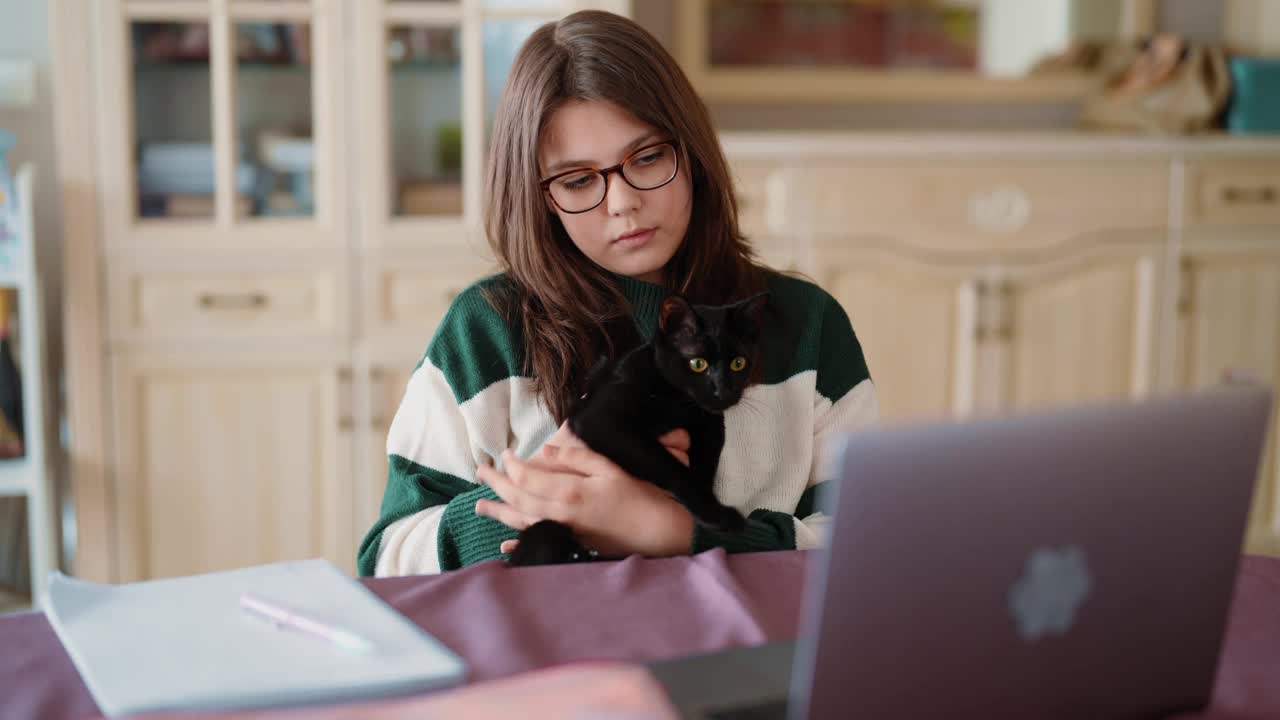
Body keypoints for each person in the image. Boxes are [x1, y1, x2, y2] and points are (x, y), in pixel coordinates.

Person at [358, 10, 878, 576]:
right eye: (579, 180)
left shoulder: (807, 324)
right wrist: (541, 503)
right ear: (540, 198)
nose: (622, 202)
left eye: (648, 157)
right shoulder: (485, 329)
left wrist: (677, 532)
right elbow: (385, 559)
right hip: (557, 661)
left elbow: (874, 547)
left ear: (694, 154)